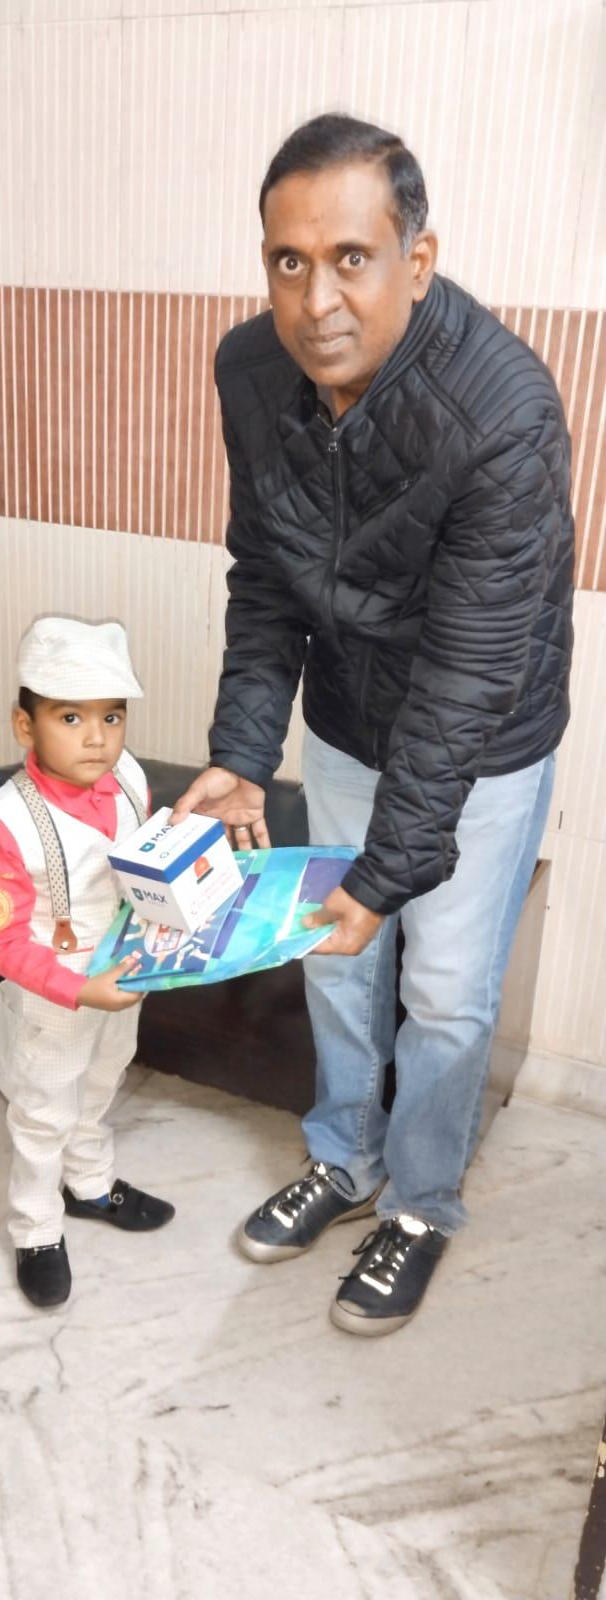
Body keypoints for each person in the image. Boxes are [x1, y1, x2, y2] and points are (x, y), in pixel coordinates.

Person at [172, 114, 574, 1337]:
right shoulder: (250, 371)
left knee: (447, 995)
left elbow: (468, 674)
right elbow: (265, 575)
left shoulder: (502, 406)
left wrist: (396, 870)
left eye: (352, 256)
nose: (317, 297)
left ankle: (423, 1201)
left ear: (419, 258)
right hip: (345, 717)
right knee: (339, 962)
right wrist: (244, 755)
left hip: (485, 738)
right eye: (288, 260)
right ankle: (342, 1159)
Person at [0, 615, 175, 1309]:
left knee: (103, 1083)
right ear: (26, 727)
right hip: (53, 998)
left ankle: (89, 1185)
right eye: (71, 716)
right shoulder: (1, 826)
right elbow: (0, 942)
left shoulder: (132, 778)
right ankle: (36, 1228)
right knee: (43, 1113)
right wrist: (80, 989)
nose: (97, 737)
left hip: (125, 979)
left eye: (112, 716)